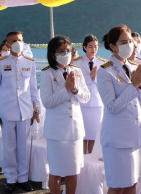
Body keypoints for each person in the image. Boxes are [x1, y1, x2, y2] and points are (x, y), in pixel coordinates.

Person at [97, 25, 141, 194]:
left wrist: (140, 86)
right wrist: (133, 85)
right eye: (124, 42)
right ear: (113, 46)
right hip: (118, 139)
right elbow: (112, 107)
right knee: (118, 186)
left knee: (132, 184)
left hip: (136, 135)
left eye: (130, 41)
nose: (129, 45)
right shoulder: (105, 71)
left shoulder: (134, 66)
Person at [0, 31, 40, 193]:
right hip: (6, 111)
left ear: (23, 41)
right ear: (7, 44)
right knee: (9, 147)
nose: (16, 43)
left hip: (25, 111)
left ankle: (23, 178)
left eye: (19, 40)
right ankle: (11, 178)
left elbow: (33, 89)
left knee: (23, 147)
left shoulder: (30, 62)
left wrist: (36, 108)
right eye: (13, 41)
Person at [40, 35, 90, 194]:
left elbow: (86, 97)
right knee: (55, 170)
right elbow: (47, 102)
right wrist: (66, 89)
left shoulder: (77, 70)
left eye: (68, 50)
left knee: (73, 170)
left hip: (74, 130)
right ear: (53, 54)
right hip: (56, 132)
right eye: (61, 51)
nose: (65, 54)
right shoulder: (47, 73)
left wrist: (75, 89)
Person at [73, 34, 107, 154]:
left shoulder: (103, 63)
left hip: (97, 104)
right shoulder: (76, 63)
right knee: (82, 136)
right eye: (90, 46)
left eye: (96, 47)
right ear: (85, 47)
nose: (93, 49)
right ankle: (83, 164)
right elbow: (76, 83)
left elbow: (105, 84)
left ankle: (90, 160)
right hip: (82, 103)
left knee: (94, 136)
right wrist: (89, 77)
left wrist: (94, 78)